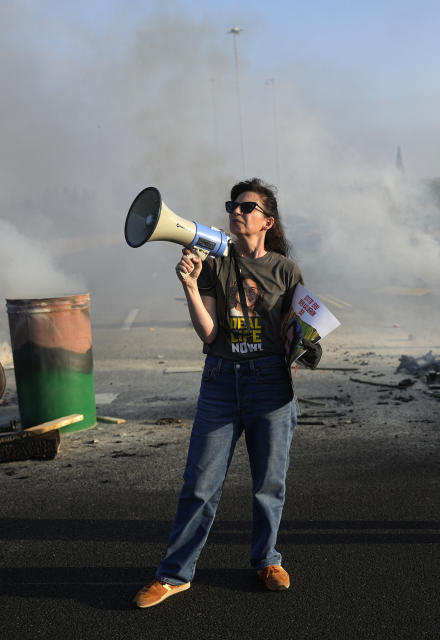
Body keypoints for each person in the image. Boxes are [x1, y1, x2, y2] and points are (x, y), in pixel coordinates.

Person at [134, 178, 304, 608]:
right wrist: (190, 285)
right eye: (233, 205)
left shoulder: (285, 270)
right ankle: (174, 575)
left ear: (268, 221)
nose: (237, 211)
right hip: (221, 381)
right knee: (200, 483)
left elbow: (299, 326)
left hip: (270, 382)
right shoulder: (215, 263)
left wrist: (300, 346)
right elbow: (209, 333)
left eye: (248, 207)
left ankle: (267, 559)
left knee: (270, 482)